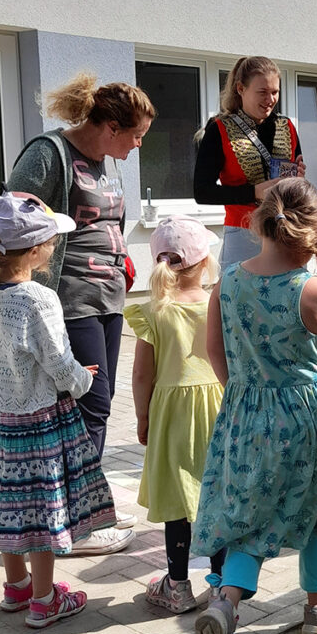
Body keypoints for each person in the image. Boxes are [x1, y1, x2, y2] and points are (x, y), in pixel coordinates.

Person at [190, 178, 317, 634]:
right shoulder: (312, 289)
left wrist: (245, 393)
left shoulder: (227, 280)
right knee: (314, 509)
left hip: (245, 411)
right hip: (301, 419)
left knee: (248, 512)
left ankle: (226, 602)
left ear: (261, 224)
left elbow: (215, 351)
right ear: (315, 233)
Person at [7, 72, 155, 548]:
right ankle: (78, 521)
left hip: (107, 298)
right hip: (68, 301)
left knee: (98, 403)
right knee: (88, 403)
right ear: (110, 126)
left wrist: (124, 261)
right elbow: (13, 218)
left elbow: (108, 220)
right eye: (135, 135)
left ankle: (87, 505)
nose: (137, 145)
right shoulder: (50, 154)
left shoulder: (102, 158)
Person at [0, 191, 118, 628]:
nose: (54, 246)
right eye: (51, 239)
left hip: (0, 418)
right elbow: (57, 363)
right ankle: (45, 599)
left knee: (10, 503)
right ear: (35, 250)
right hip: (41, 421)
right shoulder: (38, 298)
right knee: (41, 509)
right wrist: (83, 381)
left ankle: (17, 588)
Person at [122, 216, 226, 613]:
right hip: (216, 405)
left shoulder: (153, 310)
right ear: (205, 263)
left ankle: (178, 586)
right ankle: (220, 589)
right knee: (214, 494)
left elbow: (141, 373)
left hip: (170, 412)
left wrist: (142, 416)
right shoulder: (217, 303)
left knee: (178, 502)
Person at [193, 56, 305, 268]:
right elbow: (202, 191)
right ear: (240, 89)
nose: (270, 99)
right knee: (239, 298)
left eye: (275, 92)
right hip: (243, 231)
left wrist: (298, 177)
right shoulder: (219, 128)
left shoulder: (286, 125)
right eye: (262, 92)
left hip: (287, 229)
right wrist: (253, 192)